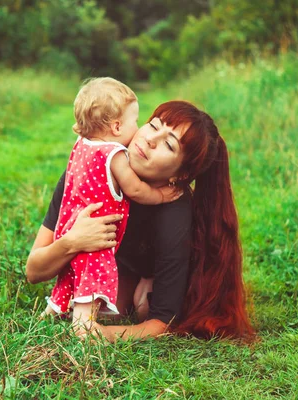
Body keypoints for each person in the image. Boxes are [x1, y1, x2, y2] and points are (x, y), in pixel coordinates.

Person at [26, 100, 255, 343]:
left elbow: (161, 321)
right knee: (113, 305)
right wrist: (72, 242)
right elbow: (34, 271)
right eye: (154, 125)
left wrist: (104, 335)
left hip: (151, 267)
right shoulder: (91, 169)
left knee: (143, 305)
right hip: (120, 263)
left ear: (181, 175)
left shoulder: (174, 214)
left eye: (168, 144)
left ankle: (148, 276)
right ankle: (135, 277)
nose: (150, 140)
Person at [42, 78, 181, 333]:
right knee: (93, 274)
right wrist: (160, 195)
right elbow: (135, 189)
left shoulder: (82, 146)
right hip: (97, 231)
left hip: (72, 223)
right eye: (138, 122)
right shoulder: (115, 155)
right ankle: (83, 325)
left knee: (71, 274)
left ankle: (53, 308)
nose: (140, 131)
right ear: (117, 126)